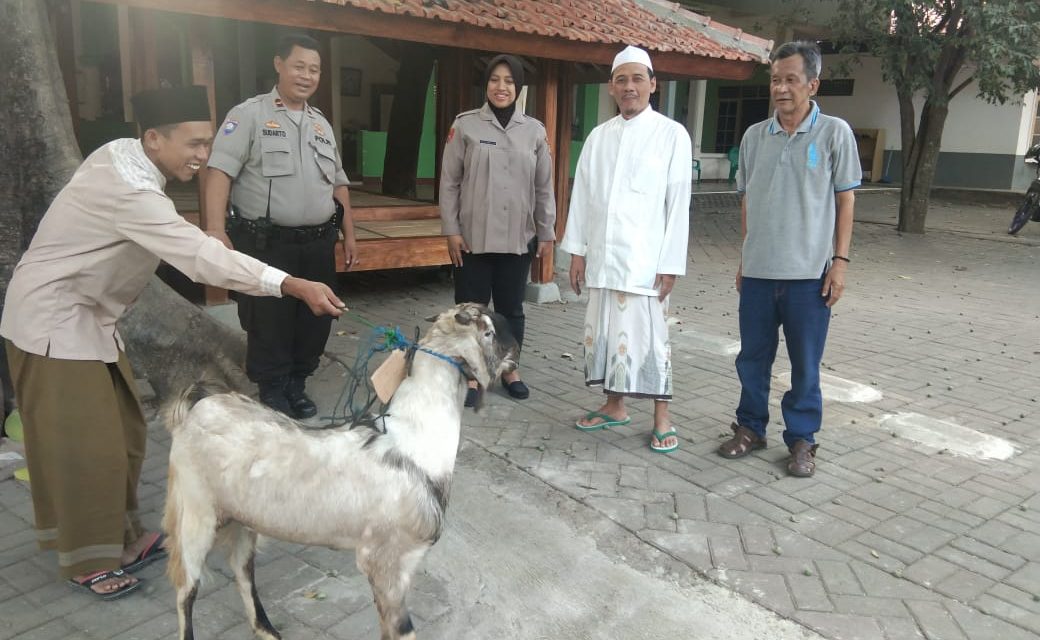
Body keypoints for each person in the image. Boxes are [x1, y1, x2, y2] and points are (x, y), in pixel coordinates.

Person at [0, 85, 345, 599]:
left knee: (126, 432)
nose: (203, 156)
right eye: (194, 144)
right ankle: (87, 559)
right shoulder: (129, 190)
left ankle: (125, 538)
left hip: (91, 320)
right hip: (52, 322)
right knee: (87, 445)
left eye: (208, 143)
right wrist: (291, 284)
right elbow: (198, 256)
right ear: (154, 138)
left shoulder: (123, 158)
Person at [717, 41, 860, 477]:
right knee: (752, 358)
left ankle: (801, 440)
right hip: (759, 271)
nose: (781, 88)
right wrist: (746, 256)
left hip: (808, 277)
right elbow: (747, 201)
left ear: (812, 84)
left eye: (791, 79)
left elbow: (846, 200)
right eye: (775, 79)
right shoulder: (755, 136)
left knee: (805, 364)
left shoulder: (834, 133)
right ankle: (750, 428)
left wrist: (840, 261)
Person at [204, 33, 357, 418]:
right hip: (266, 243)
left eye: (314, 69)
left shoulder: (321, 124)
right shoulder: (249, 114)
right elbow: (219, 171)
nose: (306, 76)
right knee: (268, 320)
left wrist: (349, 233)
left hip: (319, 242)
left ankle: (297, 383)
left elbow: (338, 183)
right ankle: (271, 388)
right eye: (299, 66)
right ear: (279, 65)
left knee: (315, 318)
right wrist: (214, 228)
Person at [561, 45, 691, 453]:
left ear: (653, 84)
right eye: (622, 80)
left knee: (650, 341)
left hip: (645, 264)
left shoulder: (672, 134)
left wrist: (670, 263)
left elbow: (678, 203)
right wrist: (578, 252)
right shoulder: (599, 137)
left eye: (638, 79)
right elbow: (581, 196)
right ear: (611, 87)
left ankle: (662, 417)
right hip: (603, 258)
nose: (629, 87)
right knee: (606, 336)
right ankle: (614, 405)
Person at [440, 54, 556, 406]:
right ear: (486, 84)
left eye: (508, 81)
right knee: (471, 312)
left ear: (518, 87)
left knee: (511, 311)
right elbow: (449, 183)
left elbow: (544, 187)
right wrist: (451, 230)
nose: (500, 87)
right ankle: (473, 376)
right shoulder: (465, 126)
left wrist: (547, 232)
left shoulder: (534, 131)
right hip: (472, 239)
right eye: (494, 80)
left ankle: (509, 370)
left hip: (517, 240)